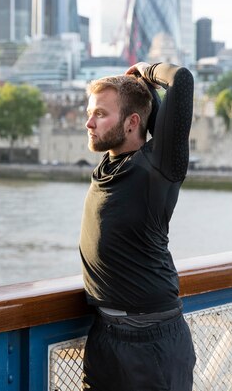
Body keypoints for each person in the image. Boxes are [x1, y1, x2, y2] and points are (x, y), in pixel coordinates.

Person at [80, 62, 196, 391]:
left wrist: (145, 70)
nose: (89, 123)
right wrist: (139, 88)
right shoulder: (112, 162)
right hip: (105, 334)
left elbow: (181, 81)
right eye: (90, 112)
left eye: (100, 114)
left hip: (150, 342)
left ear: (131, 124)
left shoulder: (156, 169)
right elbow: (147, 114)